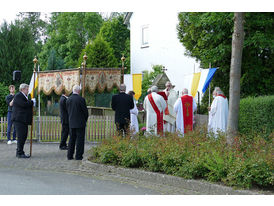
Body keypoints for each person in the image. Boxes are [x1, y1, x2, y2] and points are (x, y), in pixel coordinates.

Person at [11, 83, 35, 158]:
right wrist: (32, 102)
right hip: (19, 119)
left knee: (23, 136)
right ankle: (19, 153)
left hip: (22, 120)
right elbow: (23, 104)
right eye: (27, 89)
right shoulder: (18, 95)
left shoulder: (24, 96)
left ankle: (20, 151)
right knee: (21, 136)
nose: (28, 90)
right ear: (22, 89)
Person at [66, 85, 88, 160]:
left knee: (71, 139)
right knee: (80, 140)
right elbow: (85, 112)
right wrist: (85, 120)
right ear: (78, 91)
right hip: (80, 123)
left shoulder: (68, 99)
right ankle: (78, 156)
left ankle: (69, 155)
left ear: (73, 90)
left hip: (71, 122)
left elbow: (68, 111)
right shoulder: (81, 99)